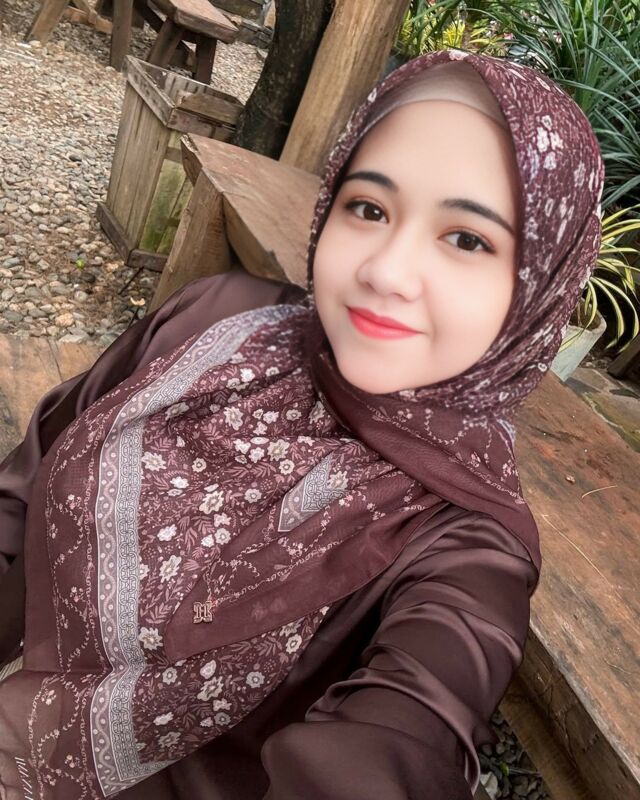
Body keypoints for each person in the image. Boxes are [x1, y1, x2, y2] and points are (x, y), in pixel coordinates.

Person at [0, 49, 603, 800]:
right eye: (369, 208)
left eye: (467, 239)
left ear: (541, 285)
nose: (386, 271)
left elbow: (407, 729)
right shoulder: (216, 318)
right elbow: (31, 474)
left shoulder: (468, 548)